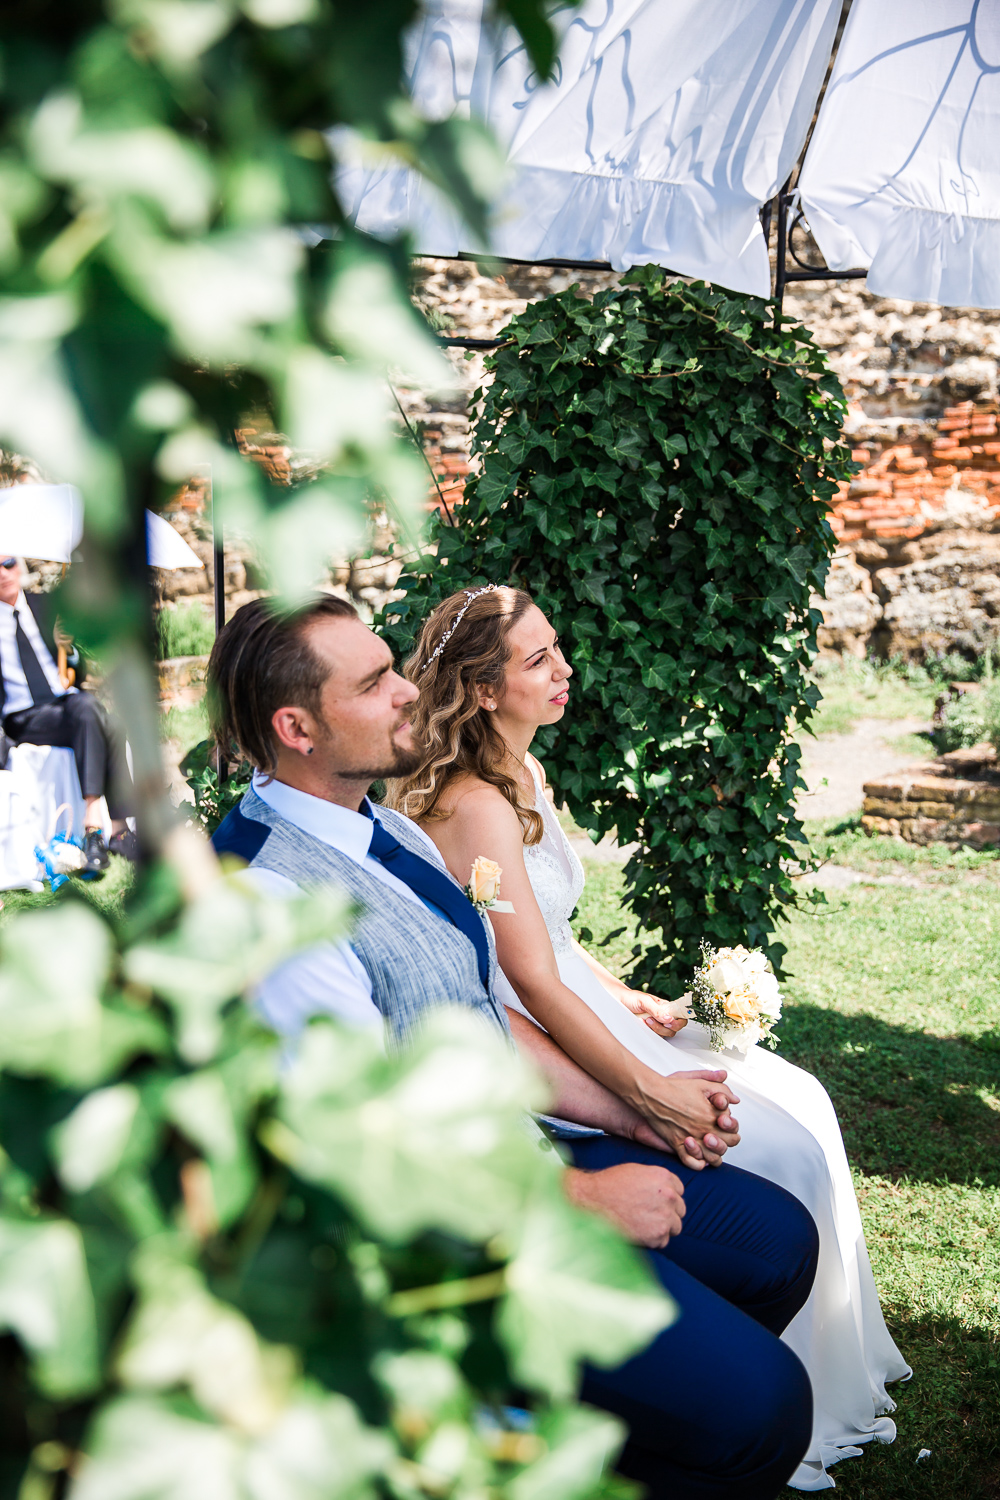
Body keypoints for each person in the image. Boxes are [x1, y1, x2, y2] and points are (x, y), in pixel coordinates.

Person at [208, 592, 819, 1500]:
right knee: (767, 1410)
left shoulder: (384, 824)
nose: (411, 692)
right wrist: (581, 1200)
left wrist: (637, 1113)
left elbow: (478, 1018)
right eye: (376, 684)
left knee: (780, 1244)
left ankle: (576, 1430)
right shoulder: (270, 901)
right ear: (297, 727)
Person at [386, 583, 912, 1493]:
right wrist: (639, 1085)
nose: (566, 670)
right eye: (539, 659)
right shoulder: (472, 805)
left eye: (559, 650)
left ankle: (801, 1377)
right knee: (776, 1143)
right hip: (550, 1039)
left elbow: (550, 939)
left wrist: (627, 993)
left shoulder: (526, 774)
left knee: (807, 1103)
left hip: (584, 1005)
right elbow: (527, 978)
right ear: (479, 688)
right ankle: (752, 1399)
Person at [0, 557, 135, 870]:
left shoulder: (46, 606)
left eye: (7, 562)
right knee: (88, 708)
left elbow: (78, 667)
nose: (3, 573)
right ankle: (98, 827)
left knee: (111, 723)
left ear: (18, 566)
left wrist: (70, 648)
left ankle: (115, 831)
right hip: (23, 716)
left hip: (66, 704)